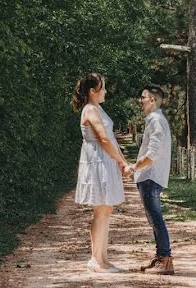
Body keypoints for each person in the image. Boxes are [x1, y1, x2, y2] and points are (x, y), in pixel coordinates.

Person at [72, 73, 129, 273]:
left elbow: (111, 138)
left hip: (106, 160)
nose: (105, 91)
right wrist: (120, 161)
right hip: (97, 161)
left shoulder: (99, 108)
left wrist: (122, 162)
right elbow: (103, 139)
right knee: (100, 210)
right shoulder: (89, 110)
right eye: (102, 88)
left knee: (107, 209)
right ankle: (95, 260)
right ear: (92, 91)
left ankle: (103, 258)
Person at [125, 84, 174, 275]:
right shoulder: (154, 120)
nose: (140, 100)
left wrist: (134, 167)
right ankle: (162, 256)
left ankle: (166, 260)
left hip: (150, 176)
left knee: (156, 219)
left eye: (143, 97)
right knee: (154, 219)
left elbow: (152, 154)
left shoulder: (155, 120)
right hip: (149, 176)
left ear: (152, 100)